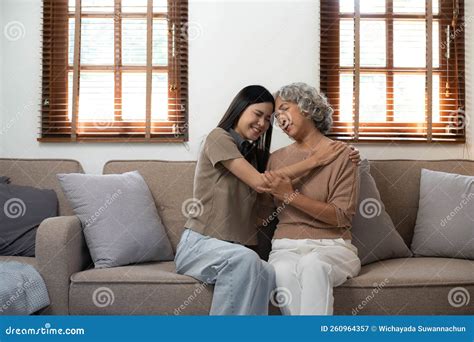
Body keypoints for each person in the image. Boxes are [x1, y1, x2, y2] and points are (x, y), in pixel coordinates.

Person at [175, 85, 360, 315]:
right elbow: (262, 184)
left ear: (307, 109)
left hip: (240, 249)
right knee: (250, 260)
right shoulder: (219, 138)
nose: (267, 122)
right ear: (240, 109)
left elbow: (264, 206)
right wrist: (316, 160)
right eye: (258, 114)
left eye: (270, 117)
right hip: (203, 243)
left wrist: (344, 155)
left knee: (264, 271)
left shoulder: (257, 157)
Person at [259, 82, 361, 315]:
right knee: (282, 271)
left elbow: (341, 217)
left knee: (312, 265)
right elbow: (262, 210)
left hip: (332, 247)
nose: (280, 119)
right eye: (276, 115)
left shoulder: (343, 155)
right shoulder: (275, 160)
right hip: (284, 247)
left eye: (285, 108)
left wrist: (289, 196)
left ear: (307, 107)